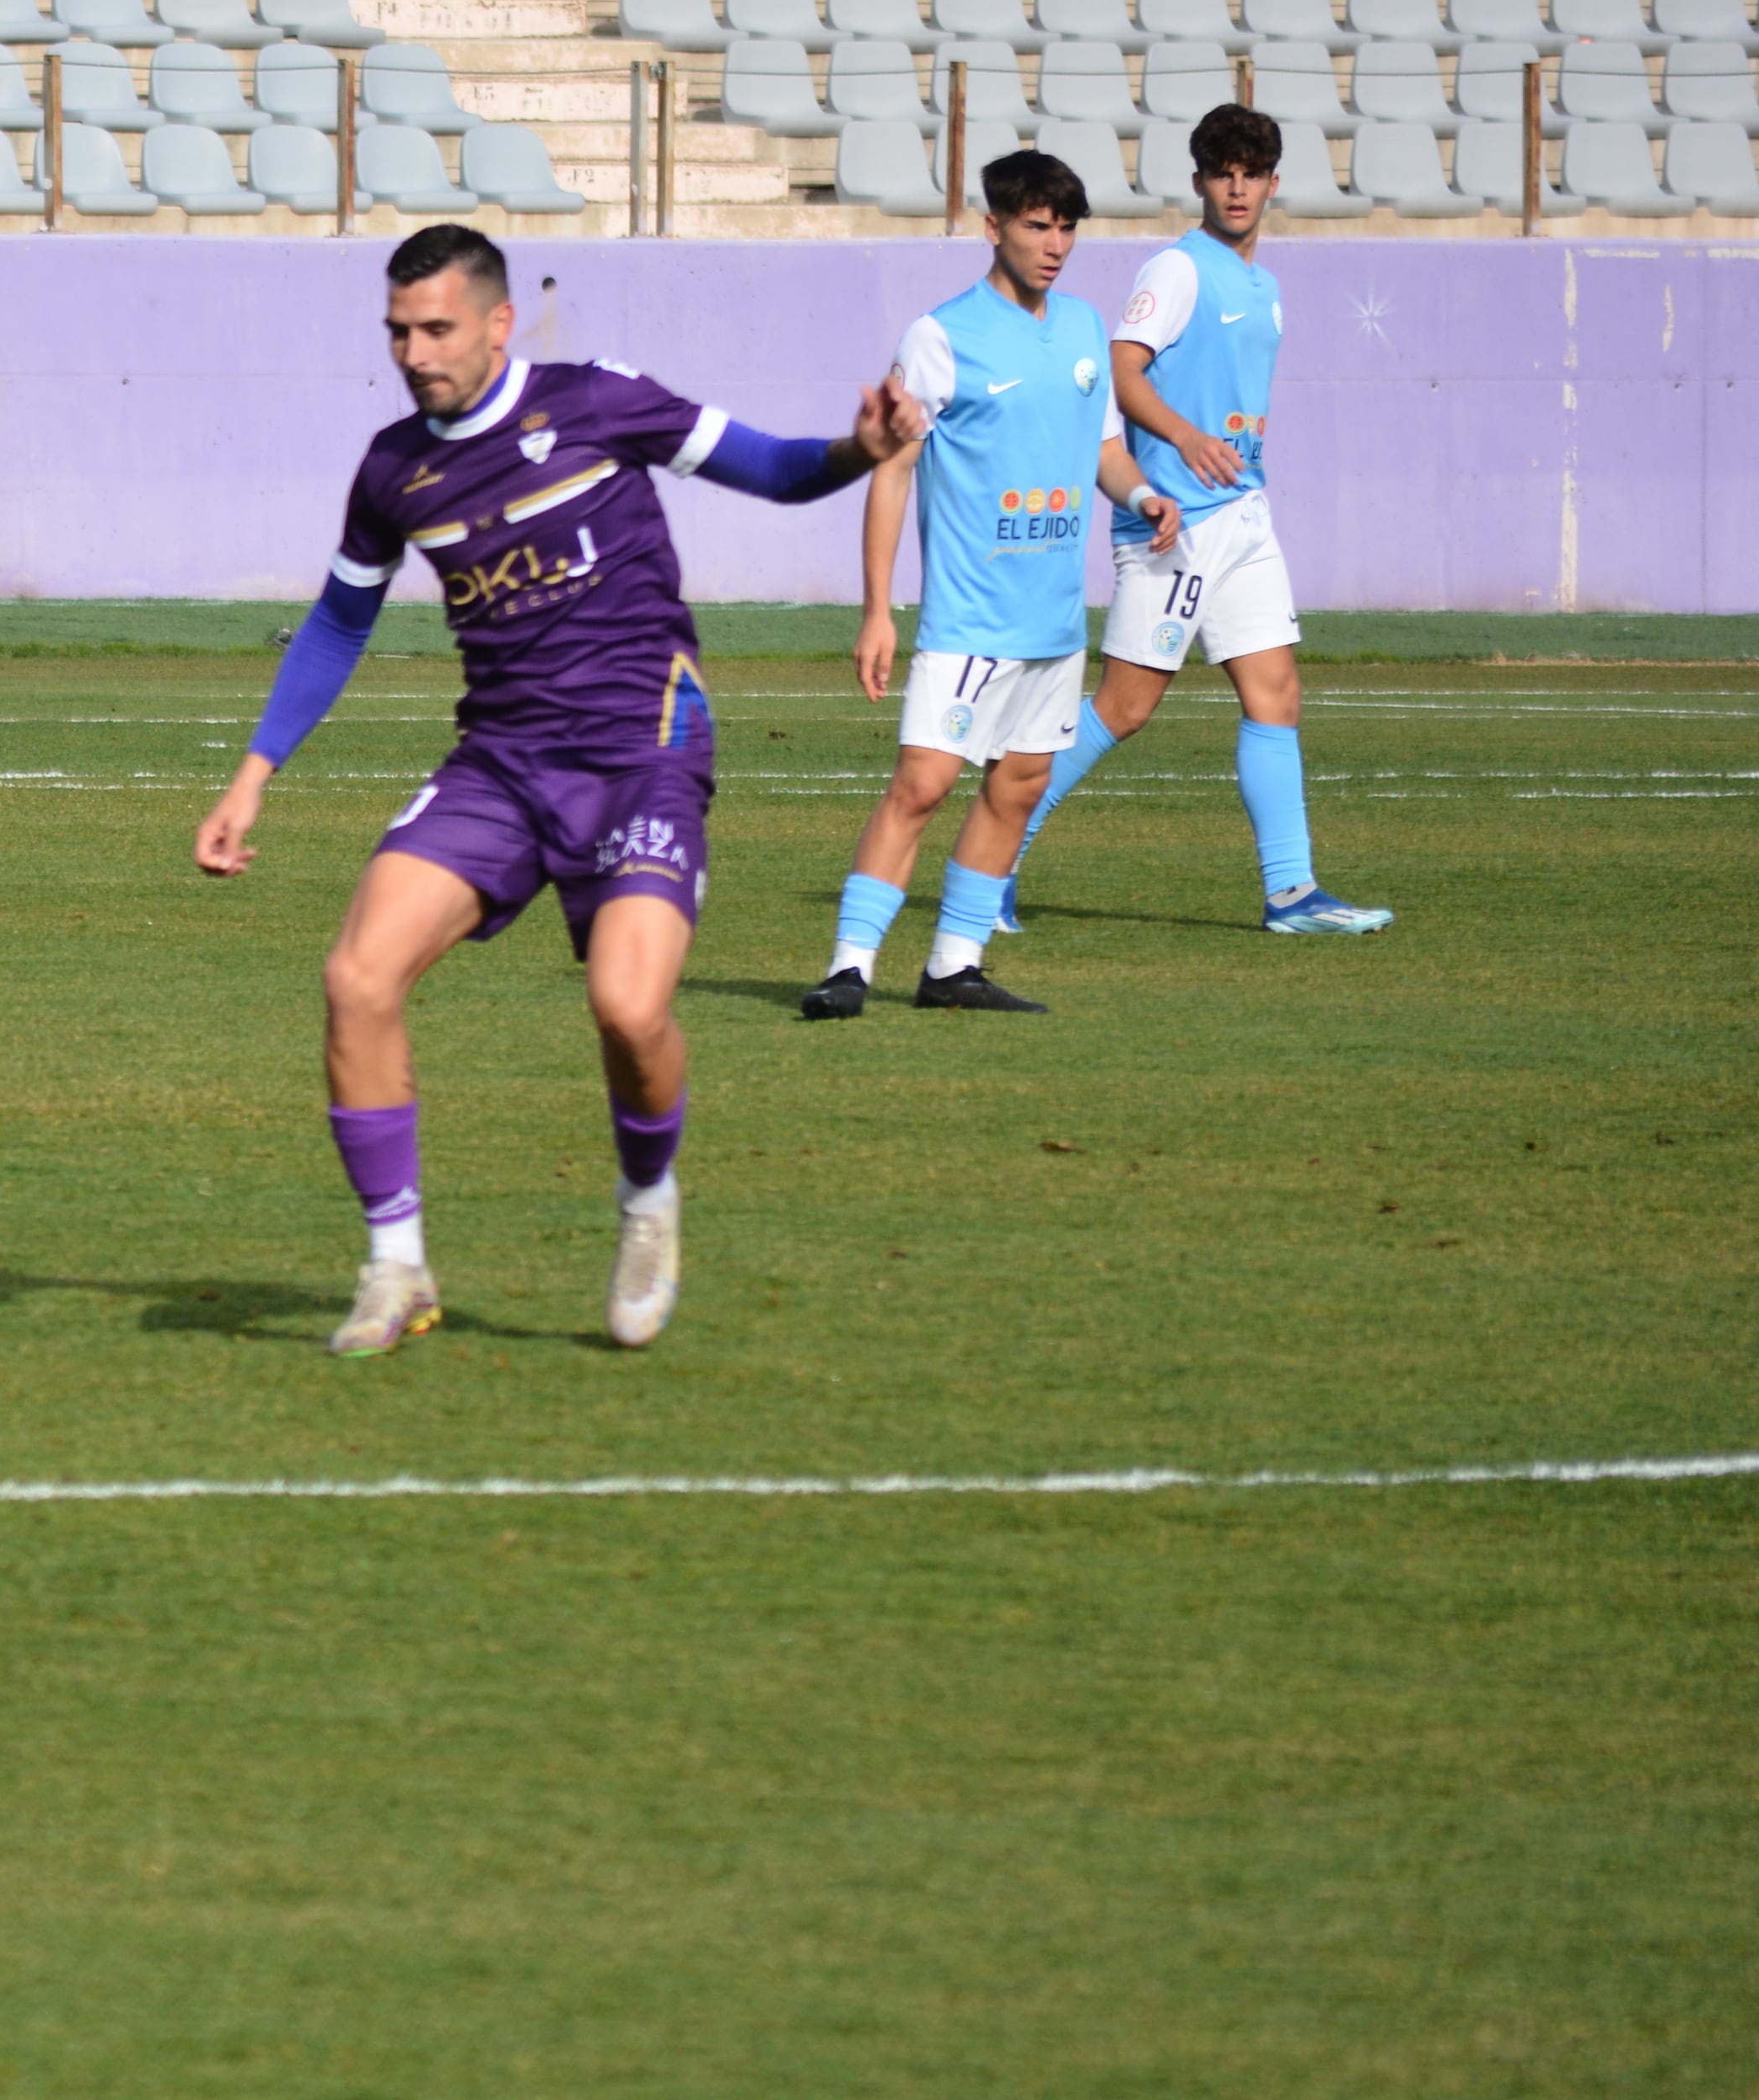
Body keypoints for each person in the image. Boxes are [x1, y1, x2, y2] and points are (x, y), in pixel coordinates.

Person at [191, 223, 921, 1361]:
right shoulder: (394, 470)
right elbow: (341, 619)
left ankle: (648, 1203)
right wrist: (253, 775)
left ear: (498, 322)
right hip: (501, 764)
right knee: (356, 976)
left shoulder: (599, 403)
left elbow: (774, 470)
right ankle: (396, 1267)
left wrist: (857, 448)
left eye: (437, 328)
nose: (416, 351)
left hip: (642, 748)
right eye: (398, 331)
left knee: (630, 1011)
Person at [804, 151, 1180, 1021]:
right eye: (1034, 226)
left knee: (1016, 787)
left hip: (1050, 619)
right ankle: (847, 967)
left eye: (1064, 228)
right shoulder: (940, 336)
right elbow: (890, 472)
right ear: (993, 228)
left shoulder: (1086, 330)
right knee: (922, 785)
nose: (1053, 244)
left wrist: (1143, 494)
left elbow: (1101, 451)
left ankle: (952, 966)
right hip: (968, 616)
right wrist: (876, 610)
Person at [1005, 107, 1392, 937]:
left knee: (1275, 693)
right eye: (1222, 172)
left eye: (1250, 172)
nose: (1236, 186)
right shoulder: (1178, 271)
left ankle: (1291, 895)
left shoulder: (1266, 288)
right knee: (1123, 708)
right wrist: (1181, 440)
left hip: (1241, 517)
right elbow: (1121, 370)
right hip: (1170, 522)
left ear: (1271, 184)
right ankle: (996, 852)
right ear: (1199, 184)